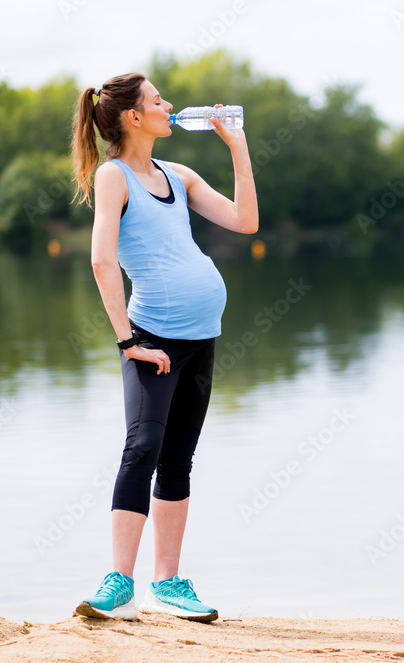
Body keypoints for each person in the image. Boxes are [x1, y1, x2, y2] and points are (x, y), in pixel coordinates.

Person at [68, 73, 257, 623]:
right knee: (142, 445)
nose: (169, 106)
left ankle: (168, 584)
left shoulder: (180, 174)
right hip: (152, 338)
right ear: (133, 117)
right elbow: (103, 261)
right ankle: (118, 582)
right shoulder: (113, 175)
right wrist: (128, 341)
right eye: (157, 100)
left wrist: (238, 148)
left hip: (202, 338)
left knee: (177, 458)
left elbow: (246, 222)